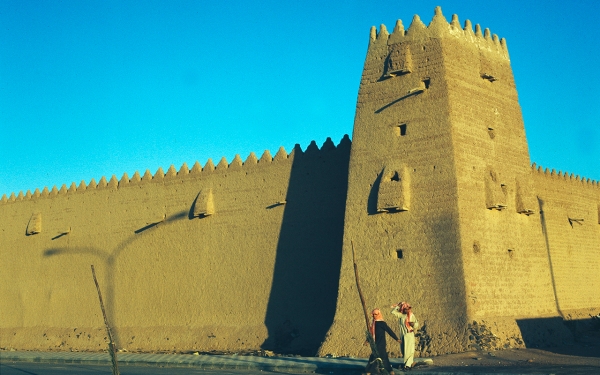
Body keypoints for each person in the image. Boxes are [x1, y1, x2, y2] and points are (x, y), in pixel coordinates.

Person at [364, 308, 400, 375]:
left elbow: (389, 331)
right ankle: (390, 371)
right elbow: (371, 333)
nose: (374, 315)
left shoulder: (382, 323)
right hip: (375, 343)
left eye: (376, 314)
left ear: (379, 314)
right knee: (383, 357)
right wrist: (367, 341)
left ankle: (369, 372)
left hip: (381, 343)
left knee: (375, 356)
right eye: (373, 314)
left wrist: (396, 338)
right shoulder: (373, 323)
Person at [391, 301, 417, 370]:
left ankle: (407, 365)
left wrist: (413, 324)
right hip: (403, 335)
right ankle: (407, 364)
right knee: (404, 351)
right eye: (406, 309)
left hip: (409, 335)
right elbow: (393, 312)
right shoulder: (401, 315)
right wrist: (398, 306)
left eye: (408, 308)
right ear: (403, 309)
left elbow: (416, 324)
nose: (407, 310)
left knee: (409, 351)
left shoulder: (411, 315)